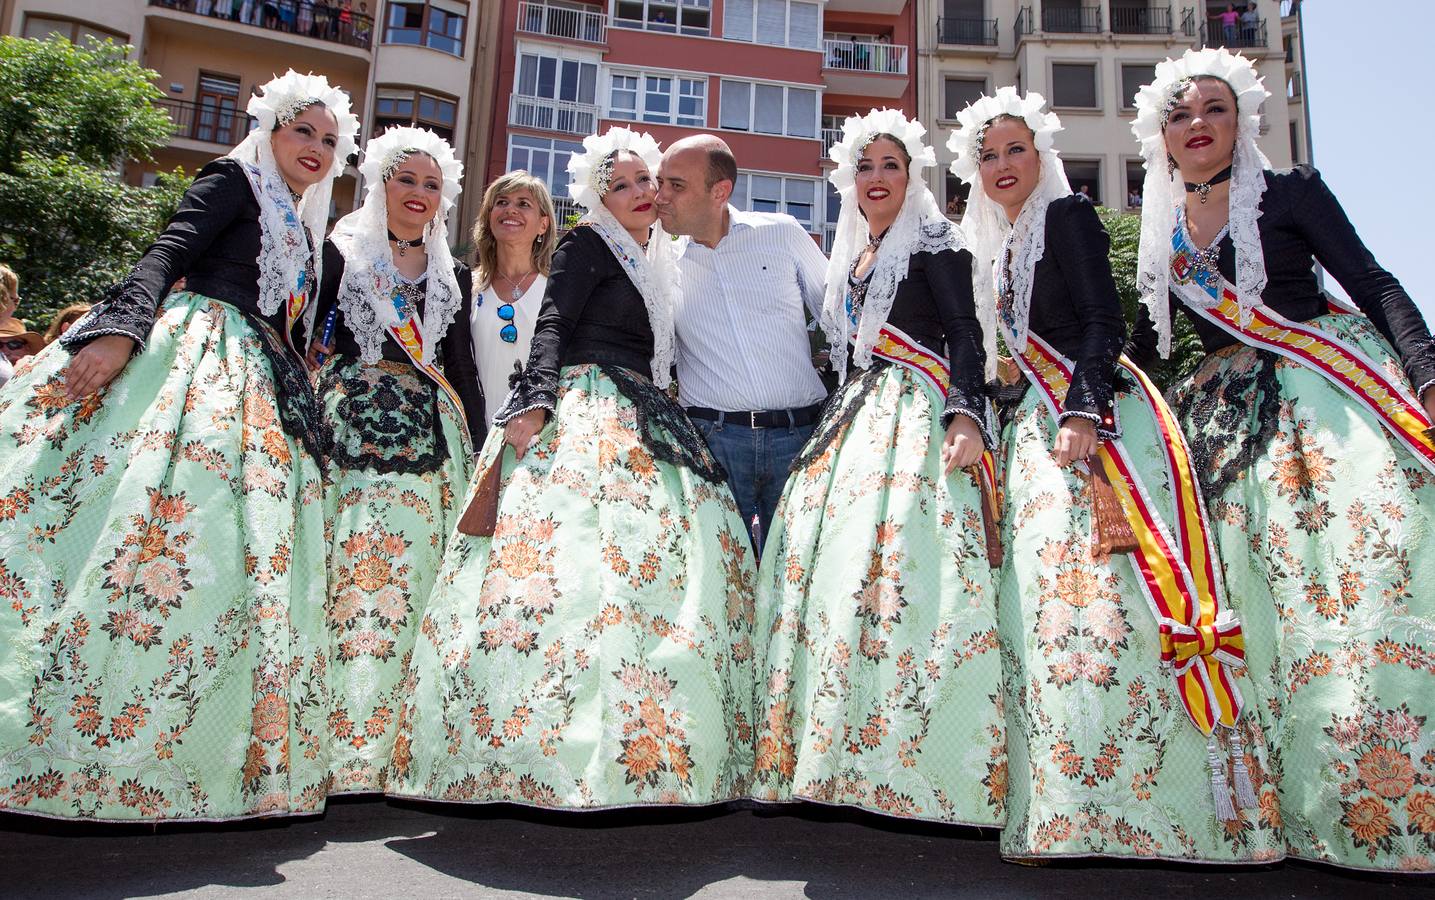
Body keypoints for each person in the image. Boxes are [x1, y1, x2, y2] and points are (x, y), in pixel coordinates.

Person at [0, 71, 358, 821]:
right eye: (303, 131)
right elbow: (168, 251)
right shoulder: (233, 179)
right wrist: (123, 330)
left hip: (260, 386)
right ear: (269, 131)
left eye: (330, 140)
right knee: (144, 526)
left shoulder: (311, 237)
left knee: (224, 557)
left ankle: (189, 750)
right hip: (195, 358)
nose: (317, 148)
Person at [951, 86, 1281, 863]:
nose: (1002, 165)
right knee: (1050, 616)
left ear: (1042, 157)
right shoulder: (999, 246)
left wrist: (1083, 409)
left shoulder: (1065, 218)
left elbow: (1105, 319)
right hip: (1039, 428)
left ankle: (1163, 812)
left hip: (1097, 426)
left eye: (1015, 150)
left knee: (1113, 612)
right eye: (987, 154)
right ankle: (1068, 809)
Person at [386, 127, 758, 809]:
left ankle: (656, 747)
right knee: (575, 574)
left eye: (648, 180)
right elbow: (552, 322)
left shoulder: (657, 257)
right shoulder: (586, 243)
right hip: (586, 406)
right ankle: (541, 752)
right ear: (596, 197)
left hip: (649, 411)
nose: (643, 192)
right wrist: (535, 399)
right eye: (622, 184)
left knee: (653, 573)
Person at [1130, 48, 1435, 872]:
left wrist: (1427, 371)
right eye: (1182, 113)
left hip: (1319, 404)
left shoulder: (1291, 191)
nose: (1198, 124)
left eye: (1215, 111)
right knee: (1242, 607)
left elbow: (1373, 283)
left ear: (1241, 123)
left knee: (1341, 589)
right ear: (1161, 133)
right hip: (1222, 427)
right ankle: (1267, 808)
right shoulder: (1156, 226)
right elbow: (1146, 344)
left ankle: (1370, 796)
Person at [748, 109, 1002, 825]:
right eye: (865, 166)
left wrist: (964, 414)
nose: (878, 177)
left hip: (913, 414)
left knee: (899, 575)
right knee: (827, 577)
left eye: (891, 164)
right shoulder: (854, 253)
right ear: (848, 181)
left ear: (911, 174)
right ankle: (836, 752)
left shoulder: (935, 240)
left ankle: (912, 755)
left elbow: (964, 336)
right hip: (856, 415)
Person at [305, 127, 483, 794]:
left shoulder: (452, 274)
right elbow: (304, 337)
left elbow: (461, 368)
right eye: (406, 179)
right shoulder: (338, 255)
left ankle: (403, 748)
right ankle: (332, 747)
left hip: (431, 448)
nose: (418, 193)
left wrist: (481, 451)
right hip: (347, 437)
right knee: (344, 583)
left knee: (417, 590)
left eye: (431, 184)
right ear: (380, 183)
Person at [655, 134, 829, 554]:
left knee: (799, 570)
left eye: (676, 185)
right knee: (721, 580)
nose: (660, 196)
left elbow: (841, 319)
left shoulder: (782, 235)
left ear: (721, 191)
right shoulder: (662, 268)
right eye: (660, 182)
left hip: (799, 437)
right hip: (713, 444)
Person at [470, 170, 556, 422]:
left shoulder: (558, 289)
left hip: (541, 437)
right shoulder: (469, 286)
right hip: (480, 433)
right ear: (489, 217)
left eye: (524, 204)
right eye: (502, 202)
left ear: (543, 224)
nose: (511, 210)